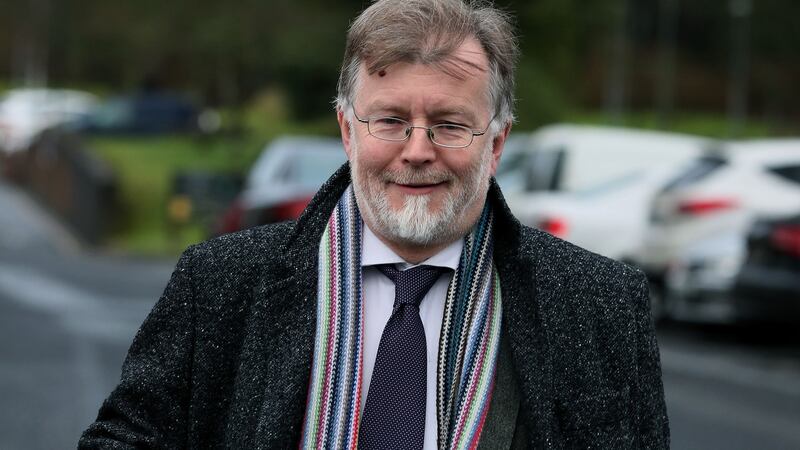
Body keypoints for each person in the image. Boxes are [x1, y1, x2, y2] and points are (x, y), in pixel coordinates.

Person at [80, 0, 668, 448]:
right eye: (389, 120)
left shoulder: (600, 305)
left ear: (496, 142)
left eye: (450, 124)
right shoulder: (220, 283)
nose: (417, 150)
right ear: (347, 130)